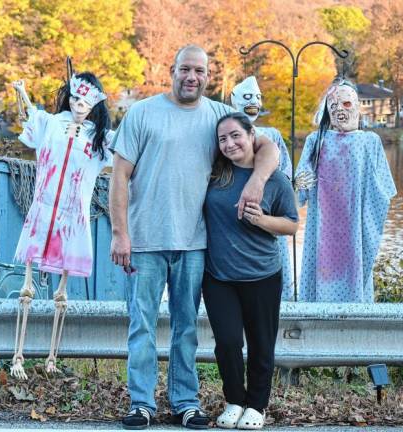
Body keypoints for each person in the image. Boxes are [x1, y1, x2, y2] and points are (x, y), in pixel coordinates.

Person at [109, 45, 280, 430]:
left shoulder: (219, 116)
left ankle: (185, 401)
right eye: (185, 69)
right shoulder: (143, 113)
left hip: (195, 244)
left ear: (208, 75)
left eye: (199, 71)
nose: (192, 77)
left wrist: (255, 183)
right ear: (172, 70)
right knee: (142, 325)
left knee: (187, 327)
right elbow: (118, 177)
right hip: (146, 242)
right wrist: (120, 234)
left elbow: (266, 146)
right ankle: (141, 403)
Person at [10, 73, 114, 379]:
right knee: (27, 288)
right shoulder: (52, 123)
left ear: (95, 103)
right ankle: (18, 356)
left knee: (62, 293)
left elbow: (126, 152)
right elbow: (30, 117)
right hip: (42, 209)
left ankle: (52, 359)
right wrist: (21, 91)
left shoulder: (99, 137)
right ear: (68, 96)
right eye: (75, 98)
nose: (79, 105)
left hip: (73, 216)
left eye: (86, 101)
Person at [202, 112, 298, 430]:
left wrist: (261, 220)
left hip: (263, 276)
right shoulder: (216, 174)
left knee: (261, 344)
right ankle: (234, 400)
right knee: (228, 342)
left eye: (235, 136)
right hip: (219, 278)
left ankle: (256, 406)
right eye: (223, 139)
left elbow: (291, 224)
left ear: (251, 135)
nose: (230, 143)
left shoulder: (276, 180)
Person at [295, 79, 396, 303]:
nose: (340, 109)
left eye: (346, 104)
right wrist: (303, 180)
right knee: (322, 265)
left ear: (358, 106)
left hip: (356, 221)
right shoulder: (316, 141)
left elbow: (384, 189)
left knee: (354, 265)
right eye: (333, 106)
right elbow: (302, 185)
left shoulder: (370, 141)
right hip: (323, 223)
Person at [231, 76, 294, 300]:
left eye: (258, 98)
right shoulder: (226, 134)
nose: (253, 103)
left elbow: (285, 174)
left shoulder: (272, 135)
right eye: (247, 97)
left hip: (267, 210)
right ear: (234, 100)